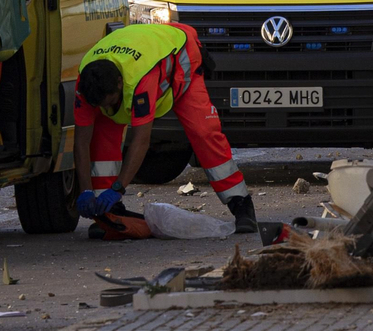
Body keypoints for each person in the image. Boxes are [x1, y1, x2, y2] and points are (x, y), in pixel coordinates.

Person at [73, 22, 257, 233]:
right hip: (144, 46)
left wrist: (118, 188)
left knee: (204, 132)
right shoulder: (85, 84)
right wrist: (85, 191)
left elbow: (141, 141)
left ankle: (240, 203)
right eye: (101, 105)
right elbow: (81, 141)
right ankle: (107, 214)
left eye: (111, 102)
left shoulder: (140, 79)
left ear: (119, 83)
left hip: (180, 59)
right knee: (103, 131)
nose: (108, 109)